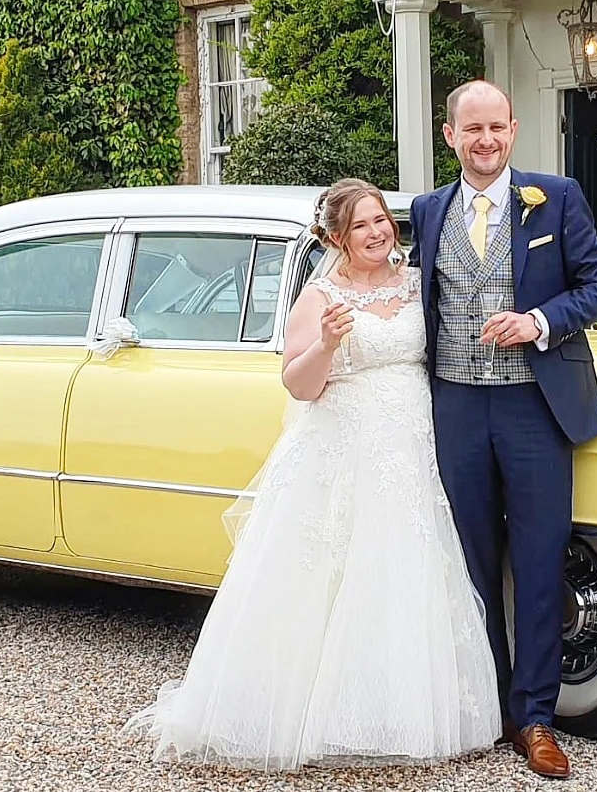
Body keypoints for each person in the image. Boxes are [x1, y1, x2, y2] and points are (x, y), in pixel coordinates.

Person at [122, 178, 500, 771]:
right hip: (344, 447)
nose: (377, 233)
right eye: (360, 226)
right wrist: (324, 343)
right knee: (330, 579)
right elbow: (298, 384)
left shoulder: (416, 283)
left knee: (407, 572)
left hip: (411, 446)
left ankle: (396, 710)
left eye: (381, 220)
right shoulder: (319, 295)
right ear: (335, 237)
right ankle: (316, 716)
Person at [408, 79, 597, 780]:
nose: (486, 140)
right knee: (467, 562)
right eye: (473, 130)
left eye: (497, 127)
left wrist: (538, 323)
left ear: (514, 129)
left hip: (535, 406)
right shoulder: (428, 209)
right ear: (451, 137)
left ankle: (534, 719)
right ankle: (482, 707)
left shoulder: (554, 197)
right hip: (456, 407)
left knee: (537, 562)